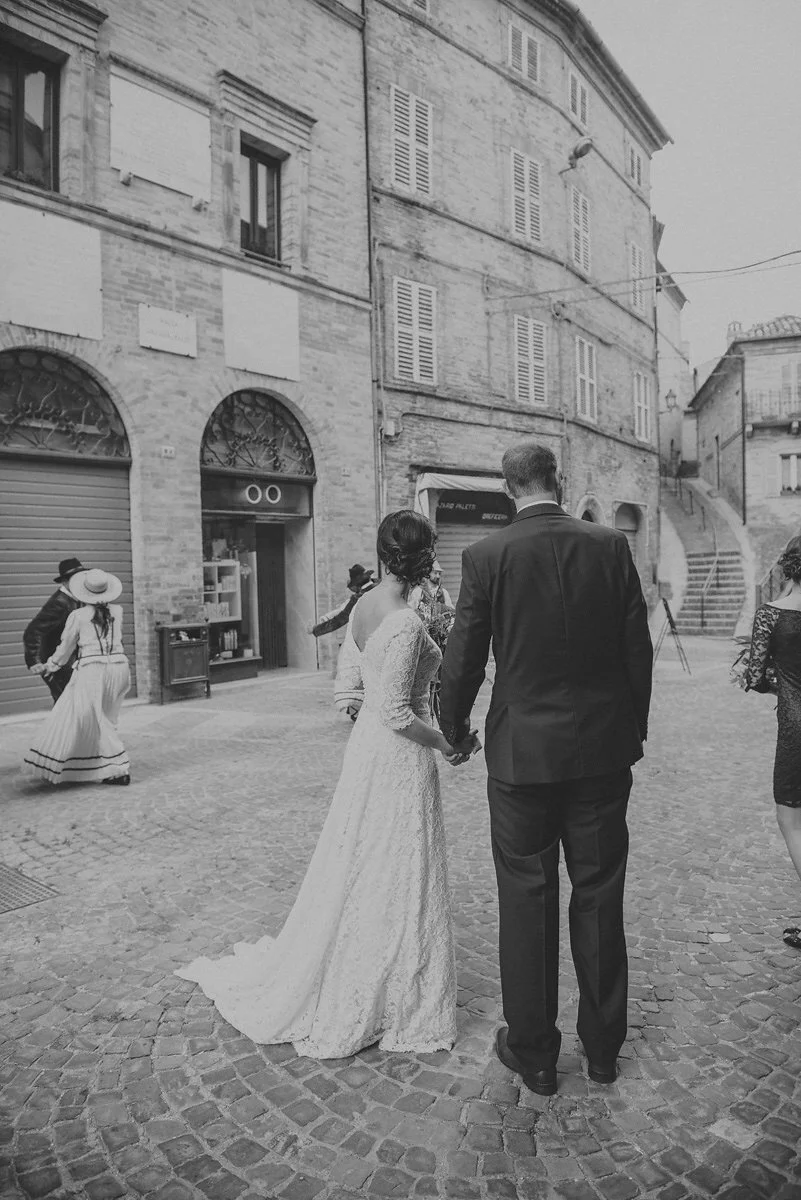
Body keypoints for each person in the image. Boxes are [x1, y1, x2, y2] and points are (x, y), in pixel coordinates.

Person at [177, 510, 473, 1058]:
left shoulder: (364, 605)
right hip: (398, 755)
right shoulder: (406, 622)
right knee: (398, 861)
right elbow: (395, 713)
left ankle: (366, 955)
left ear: (384, 554)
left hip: (368, 753)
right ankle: (389, 988)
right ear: (426, 557)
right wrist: (447, 743)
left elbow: (364, 685)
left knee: (365, 857)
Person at [438, 441, 653, 1096]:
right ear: (557, 481)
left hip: (521, 757)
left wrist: (453, 729)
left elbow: (463, 656)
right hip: (598, 754)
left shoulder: (485, 556)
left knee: (526, 900)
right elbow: (635, 653)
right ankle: (602, 1051)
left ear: (508, 489)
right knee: (597, 894)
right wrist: (628, 733)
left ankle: (533, 1054)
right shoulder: (609, 547)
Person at [742, 535, 801, 950]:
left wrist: (777, 684)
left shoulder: (771, 615)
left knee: (792, 820)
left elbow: (756, 676)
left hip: (797, 728)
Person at [24, 569, 132, 786]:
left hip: (93, 670)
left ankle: (119, 768)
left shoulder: (78, 616)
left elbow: (66, 647)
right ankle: (96, 763)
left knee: (95, 719)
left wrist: (51, 665)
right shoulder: (118, 611)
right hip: (119, 668)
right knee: (106, 718)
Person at [23, 558, 86, 703]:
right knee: (66, 705)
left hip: (69, 660)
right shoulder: (59, 603)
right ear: (65, 581)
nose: (80, 583)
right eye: (75, 579)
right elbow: (33, 631)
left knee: (74, 705)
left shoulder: (77, 597)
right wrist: (34, 661)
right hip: (57, 664)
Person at [308, 563, 376, 638]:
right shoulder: (382, 585)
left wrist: (315, 630)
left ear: (357, 585)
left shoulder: (358, 598)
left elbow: (339, 620)